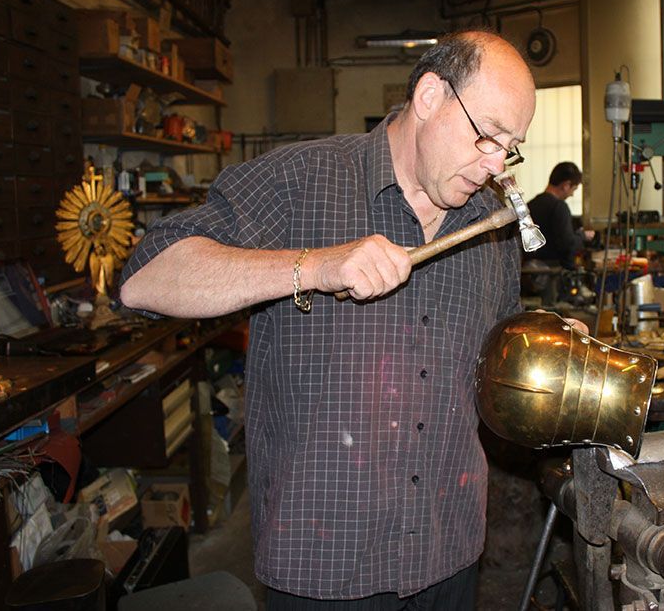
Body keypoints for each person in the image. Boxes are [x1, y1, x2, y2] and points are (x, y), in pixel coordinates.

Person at [119, 31, 538, 609]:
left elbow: (496, 357)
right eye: (487, 134)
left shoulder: (490, 221)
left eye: (510, 147)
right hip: (325, 560)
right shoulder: (300, 180)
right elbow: (146, 278)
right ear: (430, 96)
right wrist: (314, 266)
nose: (494, 164)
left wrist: (545, 355)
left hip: (449, 549)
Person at [526, 161, 592, 270]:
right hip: (554, 271)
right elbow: (567, 244)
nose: (572, 194)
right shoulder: (559, 207)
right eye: (573, 189)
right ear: (566, 185)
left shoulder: (530, 205)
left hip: (529, 270)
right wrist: (583, 236)